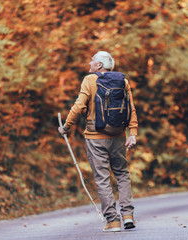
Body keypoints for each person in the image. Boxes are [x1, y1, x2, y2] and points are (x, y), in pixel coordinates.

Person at [58, 51, 138, 232]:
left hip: (96, 137)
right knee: (122, 175)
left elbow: (79, 106)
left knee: (103, 179)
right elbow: (131, 108)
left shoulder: (89, 80)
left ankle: (113, 221)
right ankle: (127, 216)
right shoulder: (123, 81)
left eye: (92, 60)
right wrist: (132, 132)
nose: (89, 62)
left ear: (100, 65)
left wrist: (66, 127)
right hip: (118, 135)